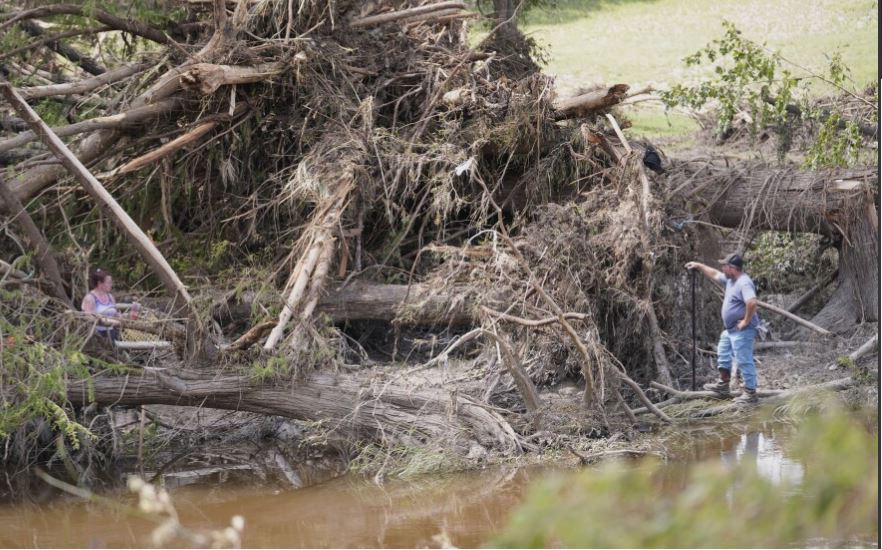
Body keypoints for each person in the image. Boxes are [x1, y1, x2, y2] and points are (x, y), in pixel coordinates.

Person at [685, 253, 760, 404]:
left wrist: (745, 321)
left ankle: (751, 393)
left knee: (744, 360)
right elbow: (714, 274)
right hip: (730, 330)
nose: (722, 268)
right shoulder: (731, 279)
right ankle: (723, 385)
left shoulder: (744, 282)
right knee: (723, 352)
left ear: (732, 268)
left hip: (742, 330)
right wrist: (698, 265)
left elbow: (752, 302)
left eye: (724, 266)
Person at [81, 269, 139, 341]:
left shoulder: (110, 297)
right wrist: (103, 320)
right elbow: (89, 318)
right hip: (97, 335)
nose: (111, 284)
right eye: (109, 282)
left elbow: (116, 315)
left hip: (112, 332)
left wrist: (127, 316)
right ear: (100, 283)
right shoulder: (90, 298)